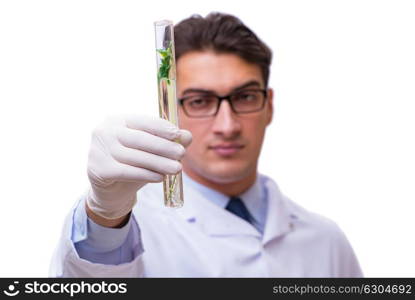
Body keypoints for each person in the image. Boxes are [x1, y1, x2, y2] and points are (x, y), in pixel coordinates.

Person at [50, 12, 362, 277]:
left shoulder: (327, 241)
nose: (228, 126)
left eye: (245, 97)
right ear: (169, 109)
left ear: (269, 105)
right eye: (200, 101)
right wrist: (104, 215)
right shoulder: (132, 228)